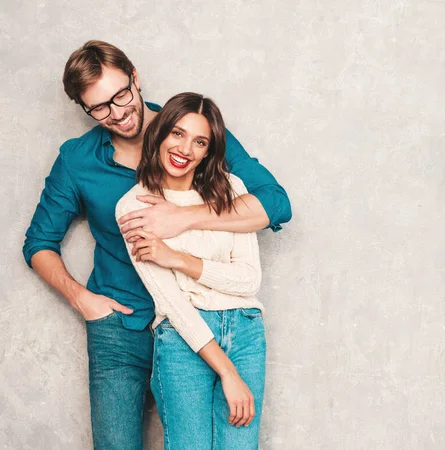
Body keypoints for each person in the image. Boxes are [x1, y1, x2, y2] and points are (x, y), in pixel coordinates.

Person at [22, 40, 291, 449]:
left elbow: (274, 203)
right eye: (99, 107)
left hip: (201, 321)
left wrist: (183, 217)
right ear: (84, 108)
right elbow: (39, 242)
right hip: (122, 327)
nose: (118, 112)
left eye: (121, 95)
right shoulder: (77, 160)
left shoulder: (191, 130)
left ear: (135, 77)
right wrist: (83, 300)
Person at [116, 92, 266, 449]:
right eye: (178, 134)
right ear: (161, 134)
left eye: (200, 141)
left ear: (209, 151)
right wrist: (227, 371)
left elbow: (249, 279)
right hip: (185, 340)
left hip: (245, 332)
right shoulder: (133, 207)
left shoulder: (231, 190)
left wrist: (179, 259)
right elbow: (174, 304)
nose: (186, 148)